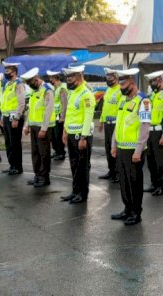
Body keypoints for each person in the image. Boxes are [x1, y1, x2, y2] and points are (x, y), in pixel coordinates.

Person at [109, 68, 151, 226]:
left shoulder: (144, 101)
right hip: (121, 148)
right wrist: (114, 145)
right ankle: (127, 208)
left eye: (124, 84)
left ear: (132, 82)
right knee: (124, 181)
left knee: (134, 182)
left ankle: (135, 212)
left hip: (134, 151)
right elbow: (118, 125)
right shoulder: (123, 100)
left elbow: (145, 127)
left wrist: (138, 150)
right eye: (120, 84)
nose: (121, 87)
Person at [60, 65, 95, 204]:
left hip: (81, 135)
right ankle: (75, 191)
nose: (68, 80)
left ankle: (82, 193)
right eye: (67, 77)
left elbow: (88, 116)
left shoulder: (86, 94)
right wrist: (65, 130)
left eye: (71, 77)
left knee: (82, 166)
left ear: (79, 76)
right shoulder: (72, 92)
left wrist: (83, 137)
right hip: (71, 134)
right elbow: (69, 114)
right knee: (74, 164)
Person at [143, 70, 163, 196]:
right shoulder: (152, 95)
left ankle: (161, 186)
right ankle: (153, 184)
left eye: (153, 81)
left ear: (160, 80)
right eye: (150, 81)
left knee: (159, 161)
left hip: (159, 132)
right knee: (150, 160)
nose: (151, 84)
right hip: (149, 132)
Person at [21, 67, 55, 187]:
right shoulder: (33, 91)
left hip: (43, 127)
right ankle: (37, 175)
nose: (29, 86)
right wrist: (27, 125)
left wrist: (44, 128)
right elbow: (31, 110)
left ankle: (44, 177)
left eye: (30, 83)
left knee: (43, 153)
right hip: (34, 126)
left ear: (36, 79)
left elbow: (48, 111)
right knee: (35, 153)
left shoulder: (47, 90)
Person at [0, 61, 28, 175]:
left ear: (14, 72)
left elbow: (21, 103)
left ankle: (17, 167)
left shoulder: (18, 84)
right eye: (5, 70)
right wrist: (2, 116)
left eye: (8, 71)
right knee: (8, 143)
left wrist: (16, 118)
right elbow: (5, 101)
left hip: (14, 118)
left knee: (15, 143)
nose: (6, 73)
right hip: (6, 117)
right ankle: (11, 165)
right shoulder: (8, 84)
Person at [97, 68, 121, 183]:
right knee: (108, 148)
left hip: (116, 123)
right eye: (107, 77)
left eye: (110, 77)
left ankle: (117, 172)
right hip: (107, 123)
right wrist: (101, 122)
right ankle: (111, 170)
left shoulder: (120, 90)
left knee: (114, 148)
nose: (108, 79)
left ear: (116, 77)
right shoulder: (108, 90)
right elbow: (105, 108)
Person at [47, 70, 68, 161]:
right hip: (54, 115)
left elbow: (64, 104)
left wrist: (63, 117)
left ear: (55, 78)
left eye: (51, 78)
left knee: (59, 135)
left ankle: (61, 152)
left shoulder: (62, 88)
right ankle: (56, 151)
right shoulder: (54, 88)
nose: (50, 80)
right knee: (54, 135)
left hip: (59, 115)